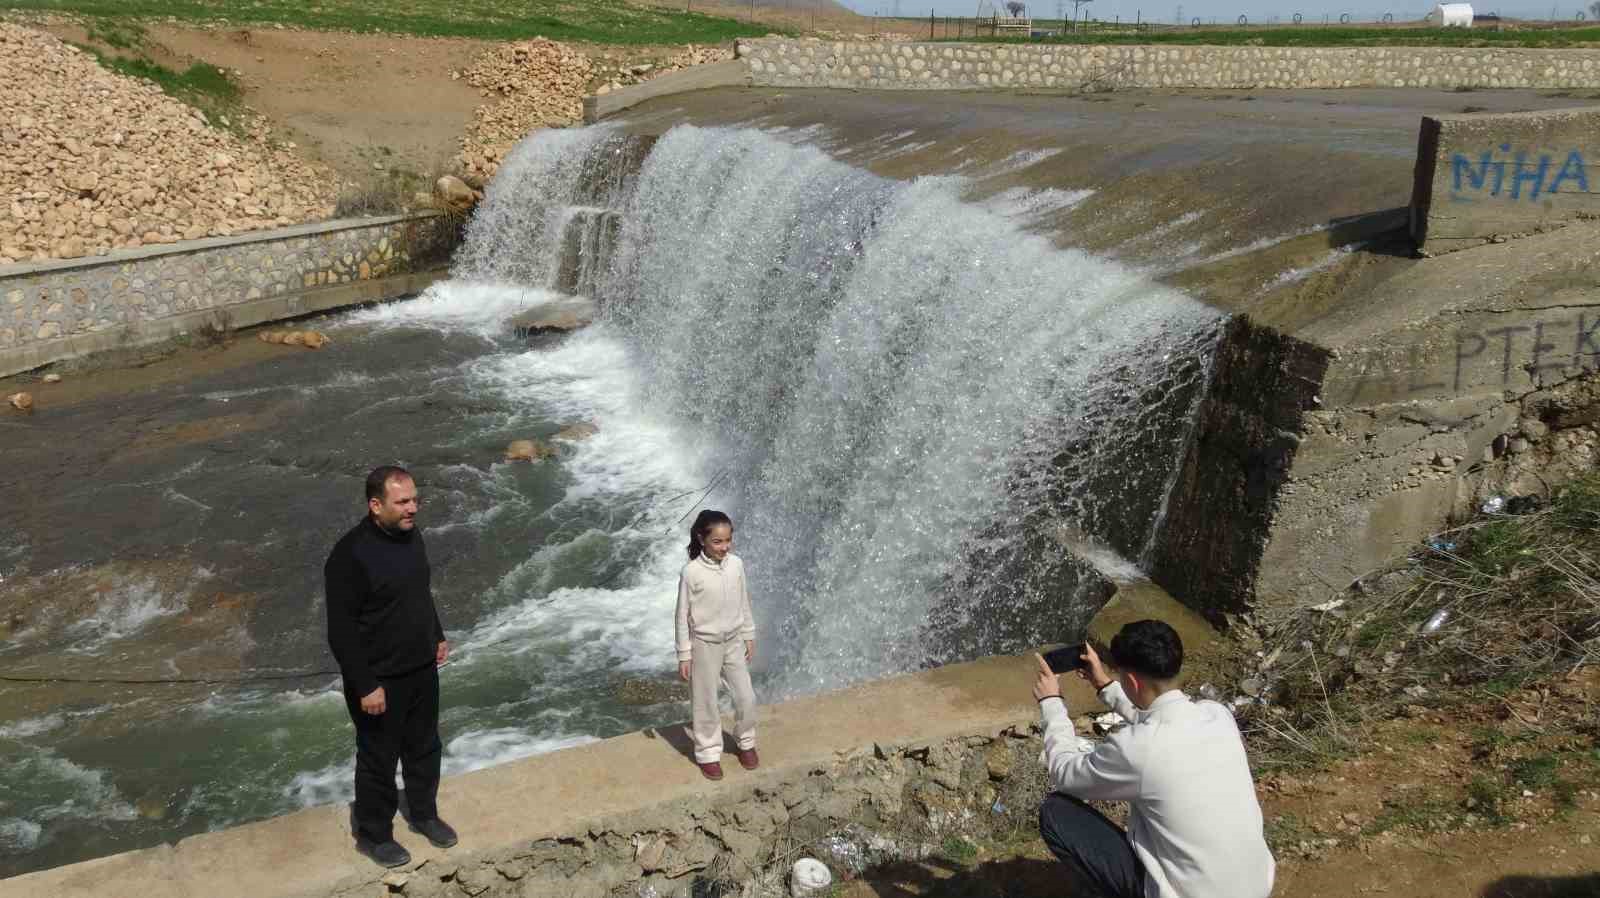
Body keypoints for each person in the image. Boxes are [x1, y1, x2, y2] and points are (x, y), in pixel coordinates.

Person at [1030, 620, 1275, 898]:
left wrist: (1051, 703)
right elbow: (1159, 720)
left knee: (1056, 812)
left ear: (1132, 680)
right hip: (1256, 888)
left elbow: (1063, 773)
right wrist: (1106, 686)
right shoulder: (1216, 714)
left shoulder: (1136, 749)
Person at [325, 465, 457, 868]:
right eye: (403, 502)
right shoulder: (349, 556)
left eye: (415, 499)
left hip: (420, 667)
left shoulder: (410, 534)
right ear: (375, 504)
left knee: (424, 747)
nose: (412, 508)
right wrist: (365, 685)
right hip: (379, 679)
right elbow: (341, 632)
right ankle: (374, 835)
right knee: (378, 759)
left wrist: (436, 634)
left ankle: (424, 815)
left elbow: (419, 591)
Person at [675, 509, 758, 781]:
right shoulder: (691, 573)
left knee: (746, 696)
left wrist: (749, 632)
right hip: (704, 645)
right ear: (702, 539)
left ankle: (746, 741)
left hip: (733, 641)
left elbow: (743, 599)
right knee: (705, 701)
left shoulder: (736, 564)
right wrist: (684, 654)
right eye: (717, 542)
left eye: (728, 540)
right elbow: (680, 616)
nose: (724, 547)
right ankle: (708, 752)